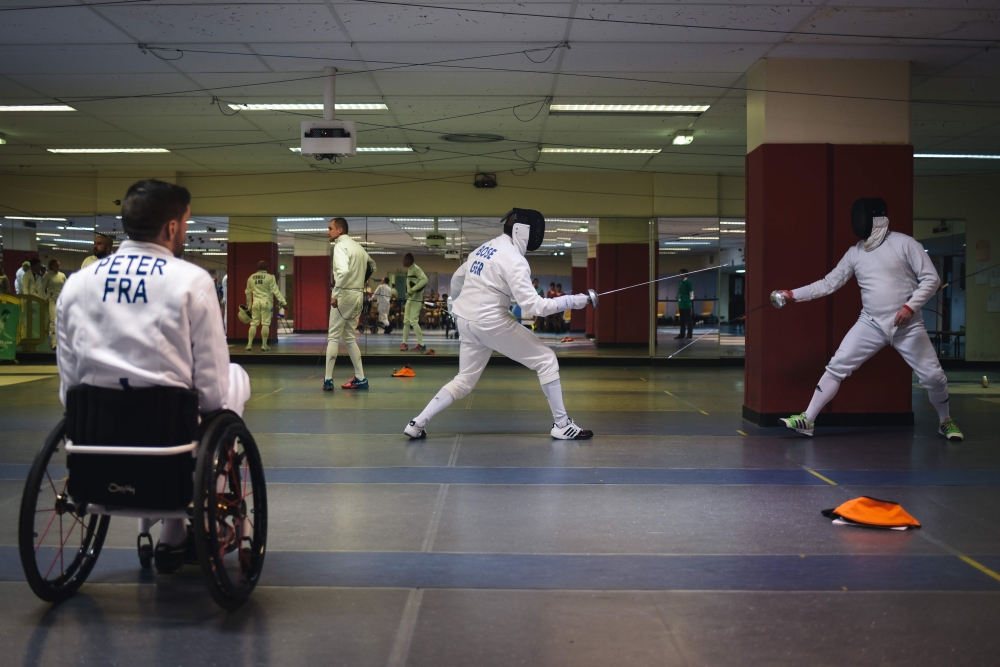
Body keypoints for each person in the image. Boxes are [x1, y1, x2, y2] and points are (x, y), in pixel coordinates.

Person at [55, 178, 251, 574]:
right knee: (234, 378)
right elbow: (212, 387)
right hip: (168, 432)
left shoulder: (77, 284)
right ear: (173, 228)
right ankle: (184, 521)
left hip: (95, 434)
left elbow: (69, 383)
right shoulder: (190, 281)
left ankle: (171, 531)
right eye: (187, 223)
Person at [773, 197, 963, 442]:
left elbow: (932, 279)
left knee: (933, 377)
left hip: (908, 325)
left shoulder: (904, 243)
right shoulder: (855, 253)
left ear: (876, 218)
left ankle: (945, 421)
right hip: (870, 323)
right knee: (838, 364)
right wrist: (792, 294)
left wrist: (909, 306)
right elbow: (829, 283)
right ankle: (807, 419)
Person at [403, 208, 595, 441]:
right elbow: (536, 307)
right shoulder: (515, 260)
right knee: (546, 360)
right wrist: (575, 301)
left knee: (463, 381)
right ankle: (562, 424)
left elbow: (457, 279)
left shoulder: (484, 248)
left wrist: (456, 304)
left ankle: (417, 423)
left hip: (466, 322)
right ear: (522, 231)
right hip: (490, 323)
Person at [324, 217, 376, 391]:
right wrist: (359, 280)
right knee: (349, 338)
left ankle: (328, 380)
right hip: (358, 296)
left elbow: (344, 271)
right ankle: (360, 377)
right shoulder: (358, 247)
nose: (328, 231)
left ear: (340, 230)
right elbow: (372, 266)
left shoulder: (340, 246)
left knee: (333, 336)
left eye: (330, 228)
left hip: (345, 295)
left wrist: (335, 293)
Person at [245, 261, 286, 352]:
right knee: (265, 323)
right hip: (266, 303)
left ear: (258, 267)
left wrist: (249, 305)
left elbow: (248, 292)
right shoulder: (270, 277)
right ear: (266, 268)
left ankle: (249, 344)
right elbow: (276, 291)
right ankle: (264, 345)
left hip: (256, 303)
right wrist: (283, 302)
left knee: (254, 323)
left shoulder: (251, 277)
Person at [400, 252, 428, 352]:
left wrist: (413, 290)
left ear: (408, 260)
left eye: (403, 259)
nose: (402, 261)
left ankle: (421, 344)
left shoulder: (416, 269)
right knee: (406, 321)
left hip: (417, 298)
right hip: (411, 298)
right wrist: (410, 292)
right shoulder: (410, 269)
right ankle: (404, 343)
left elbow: (424, 280)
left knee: (413, 321)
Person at [38, 258, 66, 349]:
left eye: (59, 265)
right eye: (56, 265)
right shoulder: (48, 276)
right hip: (51, 300)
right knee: (53, 321)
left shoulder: (62, 275)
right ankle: (54, 342)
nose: (58, 267)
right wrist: (41, 300)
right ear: (51, 266)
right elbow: (42, 289)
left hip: (61, 301)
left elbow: (67, 288)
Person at [676, 270, 693, 339]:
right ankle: (682, 334)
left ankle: (689, 334)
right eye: (680, 273)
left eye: (682, 273)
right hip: (681, 302)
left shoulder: (688, 282)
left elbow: (691, 291)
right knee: (682, 319)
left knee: (688, 319)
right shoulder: (680, 282)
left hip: (686, 302)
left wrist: (691, 299)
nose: (680, 275)